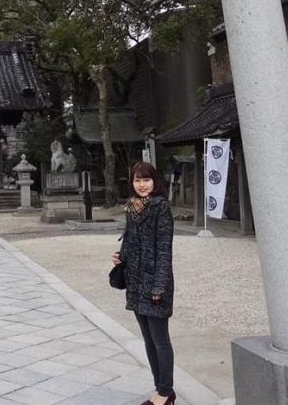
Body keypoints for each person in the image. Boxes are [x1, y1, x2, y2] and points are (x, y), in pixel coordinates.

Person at [111, 162, 175, 405]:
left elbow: (164, 250)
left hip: (155, 284)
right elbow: (129, 241)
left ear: (154, 181)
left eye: (146, 180)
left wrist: (159, 285)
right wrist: (119, 256)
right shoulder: (132, 207)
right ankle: (160, 388)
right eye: (138, 180)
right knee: (148, 340)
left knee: (160, 340)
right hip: (135, 283)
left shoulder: (161, 208)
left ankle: (166, 392)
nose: (142, 185)